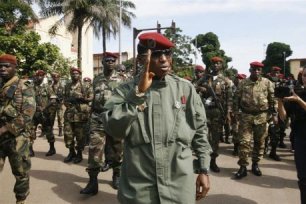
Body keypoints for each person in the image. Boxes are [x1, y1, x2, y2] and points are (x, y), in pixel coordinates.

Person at [102, 32, 212, 203]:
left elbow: (199, 130)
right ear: (140, 59)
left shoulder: (185, 89)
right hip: (140, 189)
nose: (163, 59)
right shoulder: (125, 91)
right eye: (156, 54)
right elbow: (113, 128)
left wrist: (204, 169)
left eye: (167, 53)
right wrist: (137, 94)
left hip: (178, 186)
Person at [80, 52, 125, 194]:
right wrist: (89, 119)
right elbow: (93, 100)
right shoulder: (96, 79)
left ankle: (116, 175)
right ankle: (93, 182)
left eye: (112, 60)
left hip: (115, 117)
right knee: (94, 149)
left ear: (115, 63)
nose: (110, 62)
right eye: (107, 60)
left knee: (117, 149)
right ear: (103, 63)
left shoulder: (122, 79)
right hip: (98, 117)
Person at [0, 54, 36, 204]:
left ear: (15, 68)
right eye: (0, 66)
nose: (2, 68)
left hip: (17, 138)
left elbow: (28, 112)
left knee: (21, 174)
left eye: (7, 66)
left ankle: (20, 200)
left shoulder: (24, 86)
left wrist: (6, 129)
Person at [234, 61, 276, 179]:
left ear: (261, 71)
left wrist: (274, 114)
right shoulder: (243, 83)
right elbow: (236, 98)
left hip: (261, 116)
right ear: (250, 70)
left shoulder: (267, 83)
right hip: (246, 116)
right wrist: (236, 113)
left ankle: (255, 164)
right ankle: (242, 167)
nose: (256, 71)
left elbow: (272, 99)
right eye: (254, 69)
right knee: (244, 142)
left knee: (260, 141)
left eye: (259, 69)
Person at [196, 56, 233, 172]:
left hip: (218, 112)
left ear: (222, 65)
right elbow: (194, 87)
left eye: (218, 63)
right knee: (202, 137)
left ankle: (213, 161)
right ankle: (201, 162)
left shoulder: (226, 81)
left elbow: (229, 99)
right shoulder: (205, 78)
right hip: (204, 111)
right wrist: (203, 89)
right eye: (214, 63)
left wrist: (228, 113)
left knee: (215, 138)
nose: (216, 65)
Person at [278, 66, 306, 204]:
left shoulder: (297, 97)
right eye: (305, 75)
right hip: (301, 139)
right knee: (303, 178)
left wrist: (298, 101)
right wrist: (280, 101)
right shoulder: (297, 93)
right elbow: (284, 118)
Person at [63, 68, 93, 164]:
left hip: (81, 115)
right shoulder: (67, 86)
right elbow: (64, 97)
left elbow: (91, 98)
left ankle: (79, 153)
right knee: (68, 135)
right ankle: (71, 153)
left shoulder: (86, 86)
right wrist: (67, 102)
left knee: (80, 136)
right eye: (73, 73)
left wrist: (81, 97)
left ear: (80, 75)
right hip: (69, 114)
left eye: (76, 73)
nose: (74, 75)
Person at [31, 69, 54, 157]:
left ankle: (52, 148)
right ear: (35, 76)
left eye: (41, 76)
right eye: (38, 76)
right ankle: (30, 150)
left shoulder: (47, 87)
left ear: (44, 76)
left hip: (45, 114)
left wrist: (45, 107)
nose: (39, 77)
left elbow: (53, 99)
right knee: (31, 131)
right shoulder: (31, 87)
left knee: (48, 132)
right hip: (33, 113)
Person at [232, 73, 246, 156]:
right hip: (235, 113)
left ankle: (242, 147)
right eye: (237, 78)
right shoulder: (232, 88)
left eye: (240, 79)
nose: (238, 80)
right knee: (235, 130)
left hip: (244, 114)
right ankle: (235, 147)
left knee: (243, 131)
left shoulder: (245, 89)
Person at [48, 72, 65, 138]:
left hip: (59, 104)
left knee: (60, 118)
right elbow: (49, 94)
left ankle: (60, 130)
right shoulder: (50, 86)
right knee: (51, 118)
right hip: (52, 105)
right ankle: (51, 131)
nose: (56, 78)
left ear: (59, 78)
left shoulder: (62, 86)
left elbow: (64, 95)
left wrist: (62, 101)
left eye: (57, 77)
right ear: (52, 78)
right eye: (54, 77)